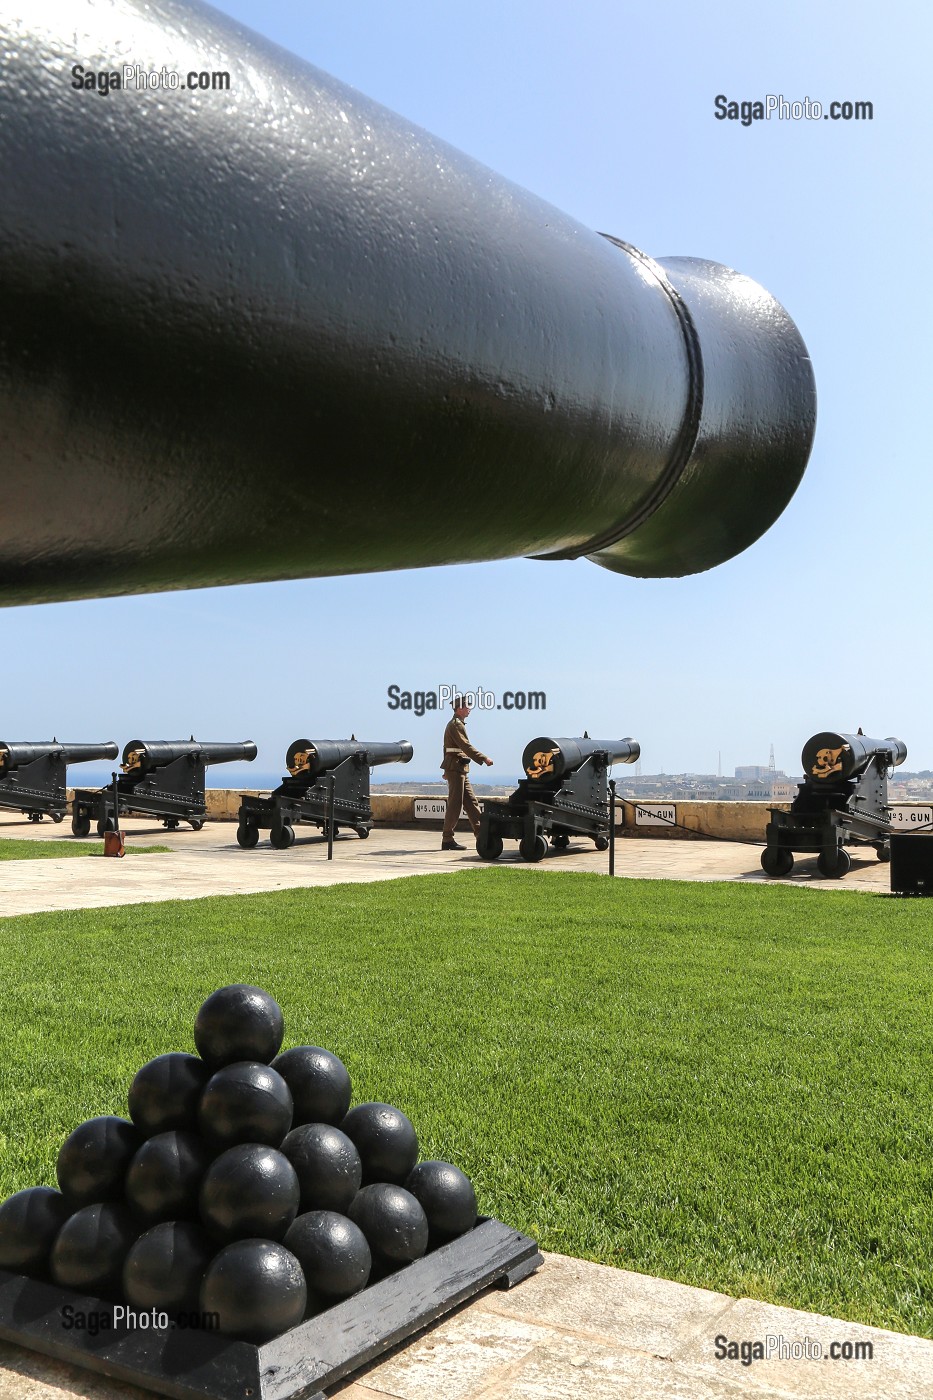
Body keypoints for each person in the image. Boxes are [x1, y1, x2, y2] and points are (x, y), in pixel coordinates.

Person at [440, 696, 493, 850]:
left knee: (471, 803)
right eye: (467, 706)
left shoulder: (457, 724)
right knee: (455, 805)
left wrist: (445, 770)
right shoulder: (456, 725)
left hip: (459, 768)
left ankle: (482, 834)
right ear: (459, 708)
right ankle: (447, 839)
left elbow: (447, 748)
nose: (470, 708)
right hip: (456, 768)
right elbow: (465, 746)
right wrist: (484, 758)